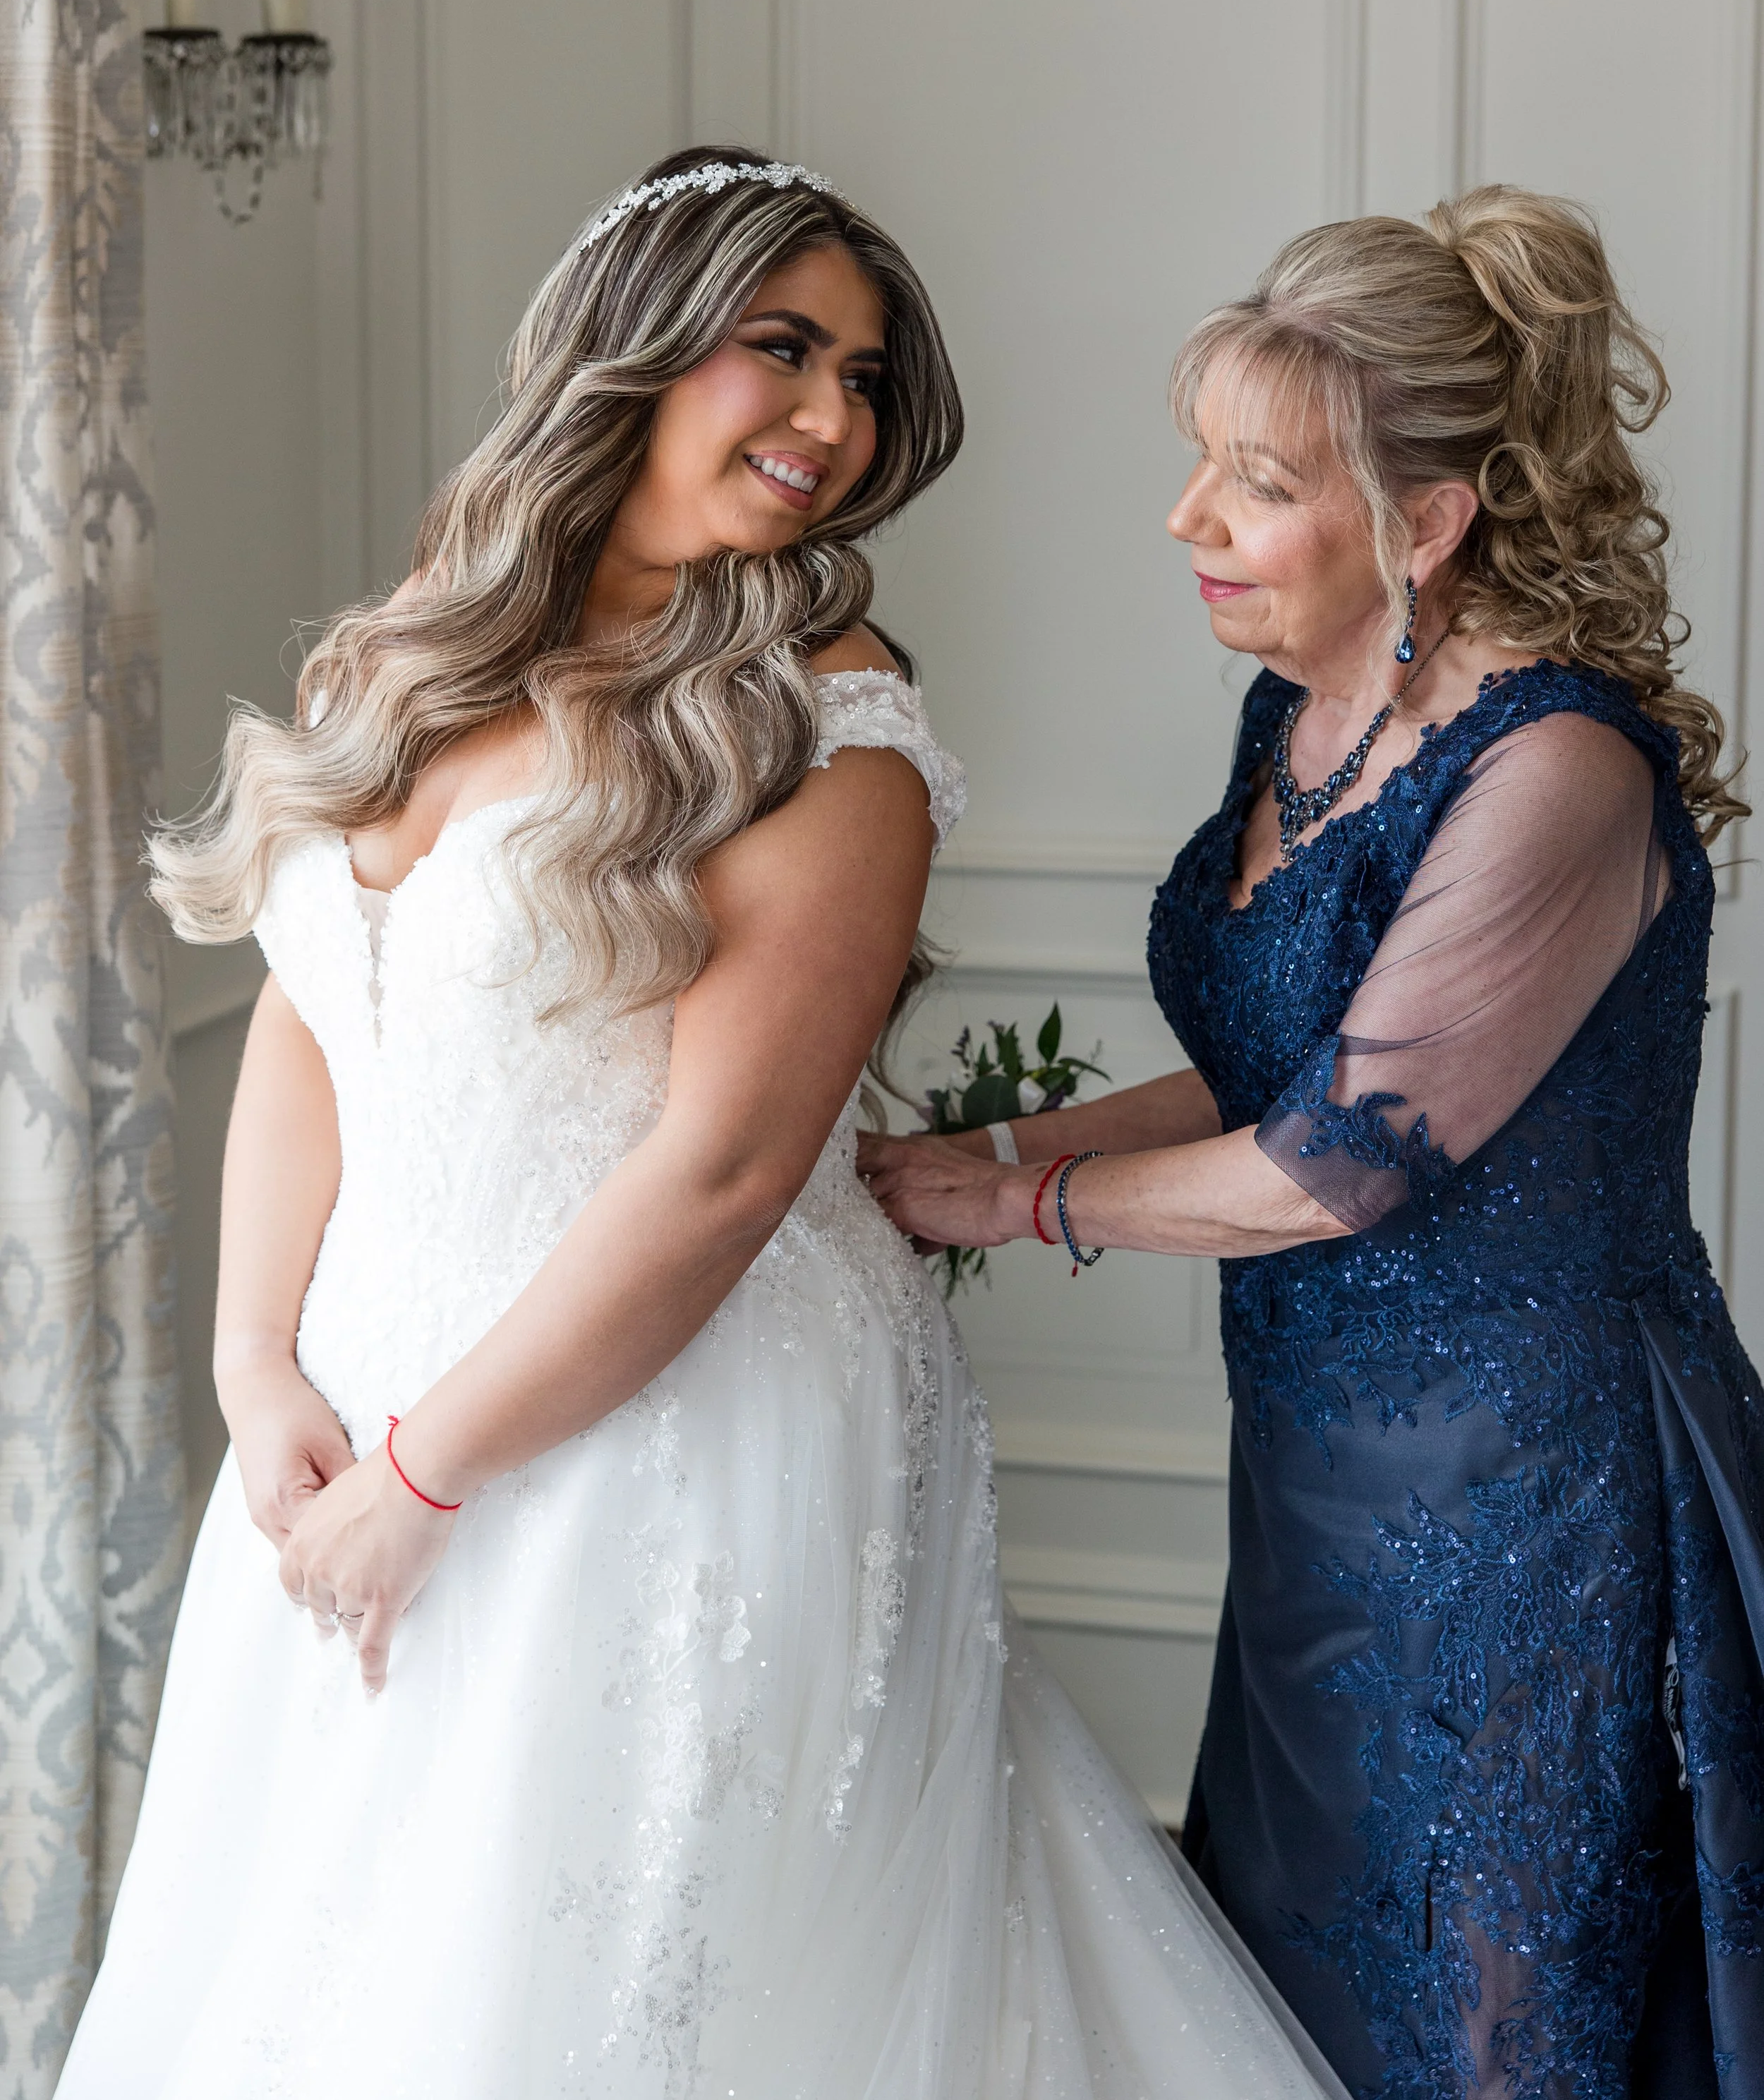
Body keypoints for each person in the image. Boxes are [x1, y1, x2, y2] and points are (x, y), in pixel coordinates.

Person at [61, 150, 1346, 2099]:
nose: (834, 419)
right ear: (629, 349)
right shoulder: (400, 656)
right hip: (346, 1404)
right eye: (785, 349)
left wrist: (428, 1483)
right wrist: (258, 1367)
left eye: (865, 381)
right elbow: (319, 1028)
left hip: (671, 1422)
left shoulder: (832, 729)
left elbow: (730, 1169)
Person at [862, 187, 1764, 2100]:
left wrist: (1016, 1198)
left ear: (1424, 522)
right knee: (1296, 1995)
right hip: (1318, 1487)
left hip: (1530, 1497)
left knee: (1496, 2016)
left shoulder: (1554, 770)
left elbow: (1329, 1160)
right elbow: (1271, 1067)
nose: (1185, 518)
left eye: (1251, 482)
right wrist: (983, 1148)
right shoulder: (1303, 713)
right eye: (1200, 464)